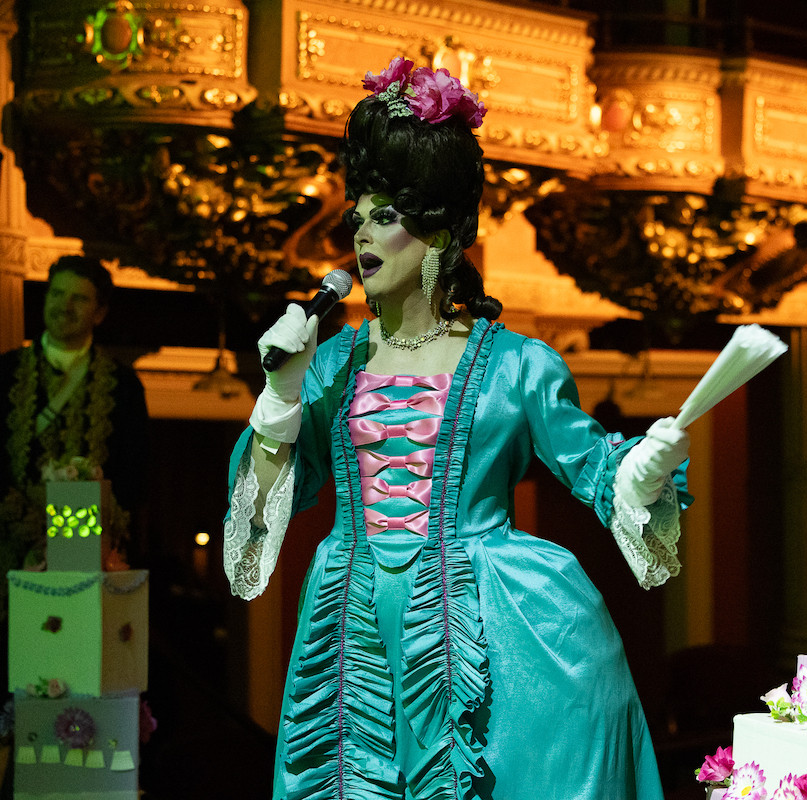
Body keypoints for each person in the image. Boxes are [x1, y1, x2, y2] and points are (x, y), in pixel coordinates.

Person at [223, 57, 692, 800]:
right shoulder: (330, 365)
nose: (361, 236)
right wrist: (281, 392)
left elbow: (598, 471)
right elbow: (263, 512)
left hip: (497, 630)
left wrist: (641, 470)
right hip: (352, 635)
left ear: (438, 232)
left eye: (384, 216)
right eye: (358, 216)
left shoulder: (517, 366)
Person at [0, 255, 149, 763]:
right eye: (57, 293)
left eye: (79, 297)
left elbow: (133, 478)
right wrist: (36, 527)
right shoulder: (2, 374)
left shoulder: (123, 387)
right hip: (5, 563)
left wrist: (83, 531)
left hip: (88, 569)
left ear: (100, 312)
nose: (64, 305)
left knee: (79, 698)